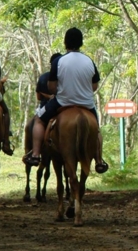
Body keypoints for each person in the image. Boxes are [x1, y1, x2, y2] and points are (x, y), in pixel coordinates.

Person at [23, 28, 109, 173]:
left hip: (63, 101)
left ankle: (36, 154)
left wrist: (61, 91)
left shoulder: (58, 61)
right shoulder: (89, 61)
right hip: (86, 104)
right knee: (96, 129)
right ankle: (99, 160)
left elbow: (51, 86)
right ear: (81, 42)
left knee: (38, 119)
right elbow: (94, 86)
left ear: (65, 42)